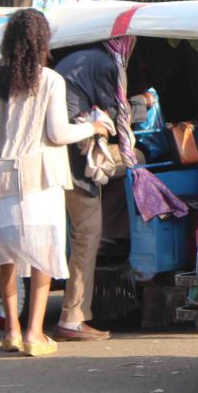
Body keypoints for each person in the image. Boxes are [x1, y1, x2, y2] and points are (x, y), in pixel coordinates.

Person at [0, 9, 109, 356]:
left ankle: (11, 330)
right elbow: (58, 132)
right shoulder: (50, 80)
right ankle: (35, 333)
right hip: (38, 179)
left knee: (6, 257)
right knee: (42, 257)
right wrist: (93, 128)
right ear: (42, 42)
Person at [53, 37, 137, 342]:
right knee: (87, 235)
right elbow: (115, 115)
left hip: (59, 158)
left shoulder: (81, 60)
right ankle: (72, 319)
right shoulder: (105, 65)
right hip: (76, 160)